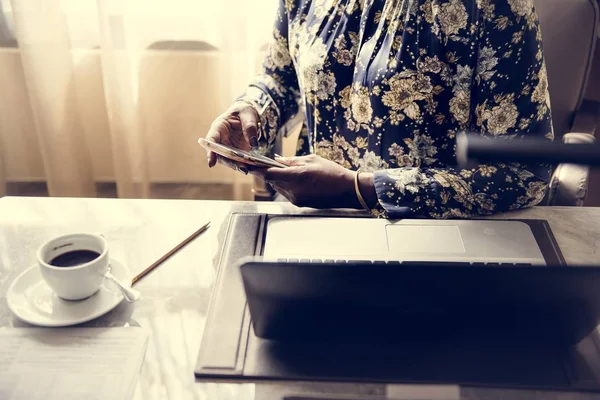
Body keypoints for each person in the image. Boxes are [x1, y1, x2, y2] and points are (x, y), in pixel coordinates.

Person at [203, 0, 553, 219]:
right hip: (316, 222)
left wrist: (359, 188)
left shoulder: (495, 7)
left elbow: (524, 173)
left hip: (435, 237)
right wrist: (252, 109)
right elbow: (281, 78)